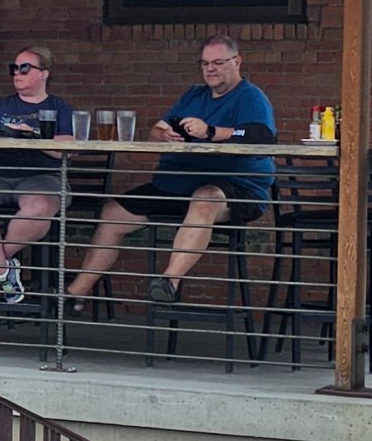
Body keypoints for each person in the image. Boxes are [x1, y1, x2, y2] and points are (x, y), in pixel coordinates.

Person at [64, 34, 276, 309]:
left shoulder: (251, 97)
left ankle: (168, 283)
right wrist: (164, 136)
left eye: (218, 62)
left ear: (237, 62)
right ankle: (75, 295)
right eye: (205, 63)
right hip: (177, 184)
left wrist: (211, 131)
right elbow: (156, 130)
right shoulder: (193, 95)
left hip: (235, 187)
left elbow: (260, 136)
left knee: (205, 199)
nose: (210, 69)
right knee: (112, 213)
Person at [0, 45, 79, 305]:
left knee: (40, 206)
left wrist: (31, 136)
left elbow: (66, 149)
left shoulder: (59, 106)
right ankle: (4, 270)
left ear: (43, 74)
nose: (17, 73)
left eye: (25, 68)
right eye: (14, 68)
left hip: (41, 175)